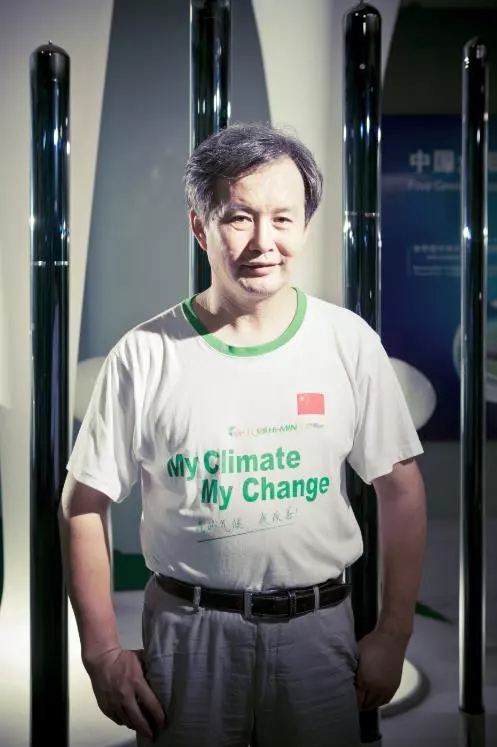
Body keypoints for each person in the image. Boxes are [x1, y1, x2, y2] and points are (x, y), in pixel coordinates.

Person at [59, 121, 427, 747]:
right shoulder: (145, 355)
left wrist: (393, 633)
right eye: (239, 217)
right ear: (199, 226)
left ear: (305, 226)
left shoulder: (347, 343)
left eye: (283, 219)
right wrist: (100, 654)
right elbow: (82, 505)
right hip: (188, 637)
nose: (264, 241)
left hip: (318, 636)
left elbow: (401, 488)